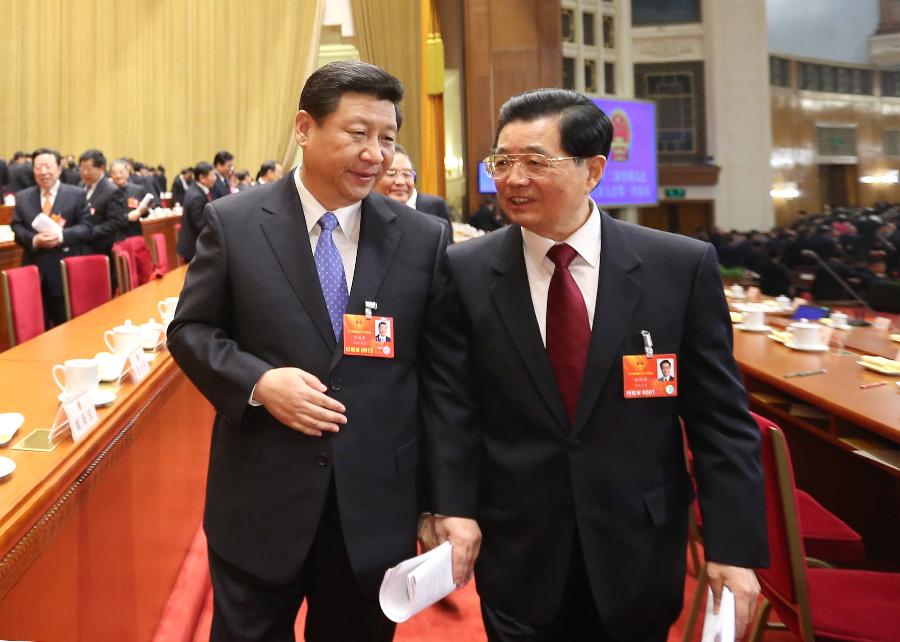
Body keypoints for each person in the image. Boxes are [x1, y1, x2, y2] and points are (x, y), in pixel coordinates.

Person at [429, 89, 767, 642]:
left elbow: (720, 422)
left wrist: (733, 548)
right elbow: (451, 407)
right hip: (518, 544)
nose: (512, 179)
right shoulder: (465, 271)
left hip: (638, 543)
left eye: (536, 162)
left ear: (593, 170)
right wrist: (449, 506)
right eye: (503, 162)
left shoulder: (677, 267)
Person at [166, 60, 479, 642]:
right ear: (305, 127)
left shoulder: (421, 238)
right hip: (260, 502)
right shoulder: (235, 222)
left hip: (374, 511)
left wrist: (447, 500)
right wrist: (259, 384)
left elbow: (443, 382)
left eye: (388, 139)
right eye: (357, 133)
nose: (376, 153)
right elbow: (191, 330)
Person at [11, 148, 92, 327]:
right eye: (38, 167)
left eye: (48, 166)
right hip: (34, 269)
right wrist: (33, 240)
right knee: (35, 325)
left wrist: (61, 236)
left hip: (64, 270)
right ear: (33, 170)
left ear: (59, 168)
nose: (43, 172)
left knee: (68, 324)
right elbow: (16, 226)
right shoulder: (24, 197)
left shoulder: (76, 194)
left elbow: (86, 228)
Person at [374, 145, 453, 240]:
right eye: (391, 173)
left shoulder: (435, 211)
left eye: (407, 174)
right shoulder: (362, 212)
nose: (400, 182)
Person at [80, 149, 128, 281]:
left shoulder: (112, 191)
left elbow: (116, 222)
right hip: (81, 248)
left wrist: (88, 232)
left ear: (101, 168)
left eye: (88, 169)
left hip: (101, 248)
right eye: (82, 168)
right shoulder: (80, 186)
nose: (84, 173)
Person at [175, 161, 216, 262]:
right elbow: (200, 225)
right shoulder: (197, 196)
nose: (215, 178)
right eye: (212, 175)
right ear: (202, 178)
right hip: (193, 249)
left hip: (194, 246)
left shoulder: (196, 189)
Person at [110, 158, 156, 238]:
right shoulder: (107, 192)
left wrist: (146, 209)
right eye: (114, 173)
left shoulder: (138, 190)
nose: (118, 175)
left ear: (127, 173)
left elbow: (144, 214)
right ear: (110, 175)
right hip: (114, 236)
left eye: (121, 172)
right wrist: (128, 218)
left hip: (135, 234)